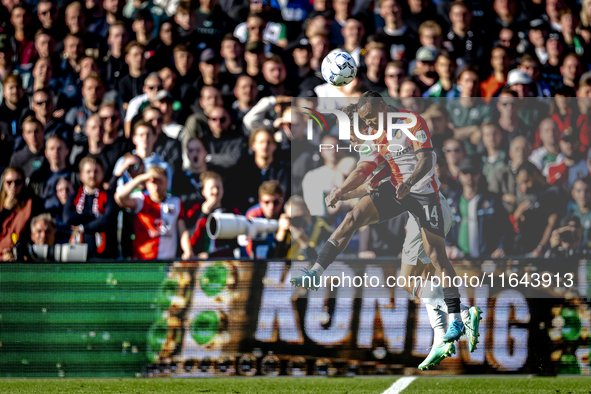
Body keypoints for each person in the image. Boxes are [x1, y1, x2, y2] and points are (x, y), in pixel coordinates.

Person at [290, 91, 482, 368]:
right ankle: (316, 272)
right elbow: (366, 172)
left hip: (426, 196)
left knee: (432, 261)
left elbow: (427, 161)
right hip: (400, 196)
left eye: (368, 121)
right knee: (402, 272)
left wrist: (407, 182)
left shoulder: (411, 122)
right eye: (362, 126)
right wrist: (342, 190)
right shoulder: (374, 136)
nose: (366, 129)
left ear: (382, 106)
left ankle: (458, 317)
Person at [115, 165, 193, 260]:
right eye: (152, 182)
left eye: (160, 181)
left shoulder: (176, 202)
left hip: (167, 262)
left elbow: (182, 230)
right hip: (143, 261)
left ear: (167, 183)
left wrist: (187, 250)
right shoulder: (141, 199)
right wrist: (141, 178)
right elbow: (120, 197)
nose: (156, 186)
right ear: (147, 184)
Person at [446, 156, 512, 258]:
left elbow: (505, 228)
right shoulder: (451, 202)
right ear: (459, 176)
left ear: (479, 174)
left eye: (473, 172)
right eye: (465, 172)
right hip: (459, 260)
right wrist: (448, 245)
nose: (469, 176)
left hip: (486, 260)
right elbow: (443, 229)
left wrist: (501, 247)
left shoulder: (492, 200)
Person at [63, 156, 119, 259]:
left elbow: (107, 219)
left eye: (96, 171)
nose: (92, 175)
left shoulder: (109, 196)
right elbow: (68, 218)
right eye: (88, 172)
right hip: (78, 256)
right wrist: (94, 215)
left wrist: (83, 227)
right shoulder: (73, 197)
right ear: (81, 176)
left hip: (105, 257)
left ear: (102, 173)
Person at [186, 171, 241, 259]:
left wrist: (211, 254)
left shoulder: (231, 211)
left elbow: (235, 242)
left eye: (218, 187)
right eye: (211, 188)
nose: (215, 191)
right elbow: (191, 239)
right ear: (203, 191)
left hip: (224, 261)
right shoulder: (195, 210)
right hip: (200, 262)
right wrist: (204, 214)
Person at [0, 167, 43, 260]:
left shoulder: (32, 204)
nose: (13, 186)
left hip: (20, 255)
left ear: (23, 184)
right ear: (3, 183)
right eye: (9, 182)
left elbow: (30, 234)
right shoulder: (1, 206)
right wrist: (6, 210)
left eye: (17, 182)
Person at [245, 180, 285, 259]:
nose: (271, 207)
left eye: (276, 202)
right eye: (267, 202)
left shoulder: (288, 212)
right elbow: (250, 250)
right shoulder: (253, 216)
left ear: (282, 200)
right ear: (260, 201)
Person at [567, 178, 591, 247]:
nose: (583, 195)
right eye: (578, 191)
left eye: (587, 191)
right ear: (573, 193)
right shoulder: (569, 209)